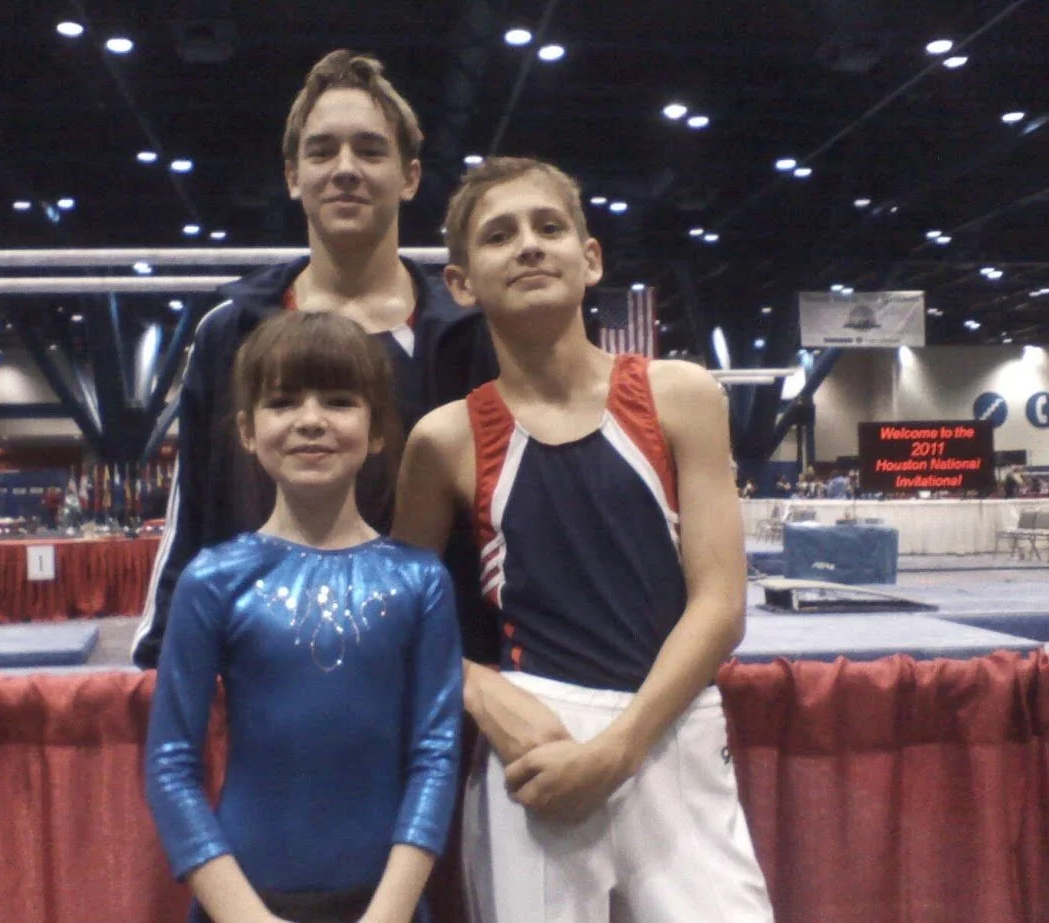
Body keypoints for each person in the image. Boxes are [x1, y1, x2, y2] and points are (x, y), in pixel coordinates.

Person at [392, 157, 772, 922]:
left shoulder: (682, 395)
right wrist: (478, 688)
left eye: (549, 227)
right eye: (500, 235)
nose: (529, 245)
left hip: (670, 726)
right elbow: (399, 612)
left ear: (589, 257)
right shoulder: (446, 440)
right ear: (462, 283)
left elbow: (721, 604)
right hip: (534, 736)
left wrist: (620, 747)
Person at [133, 49, 498, 670]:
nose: (346, 169)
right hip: (265, 675)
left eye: (370, 150)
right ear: (292, 175)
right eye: (323, 151)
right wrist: (159, 660)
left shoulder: (470, 338)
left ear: (410, 177)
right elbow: (192, 513)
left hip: (442, 680)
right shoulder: (232, 331)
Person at [145, 312, 462, 923]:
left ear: (375, 432)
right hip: (243, 905)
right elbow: (170, 765)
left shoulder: (420, 581)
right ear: (246, 429)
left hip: (384, 905)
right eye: (284, 401)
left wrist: (387, 914)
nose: (311, 420)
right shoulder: (213, 580)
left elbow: (436, 755)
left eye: (339, 401)